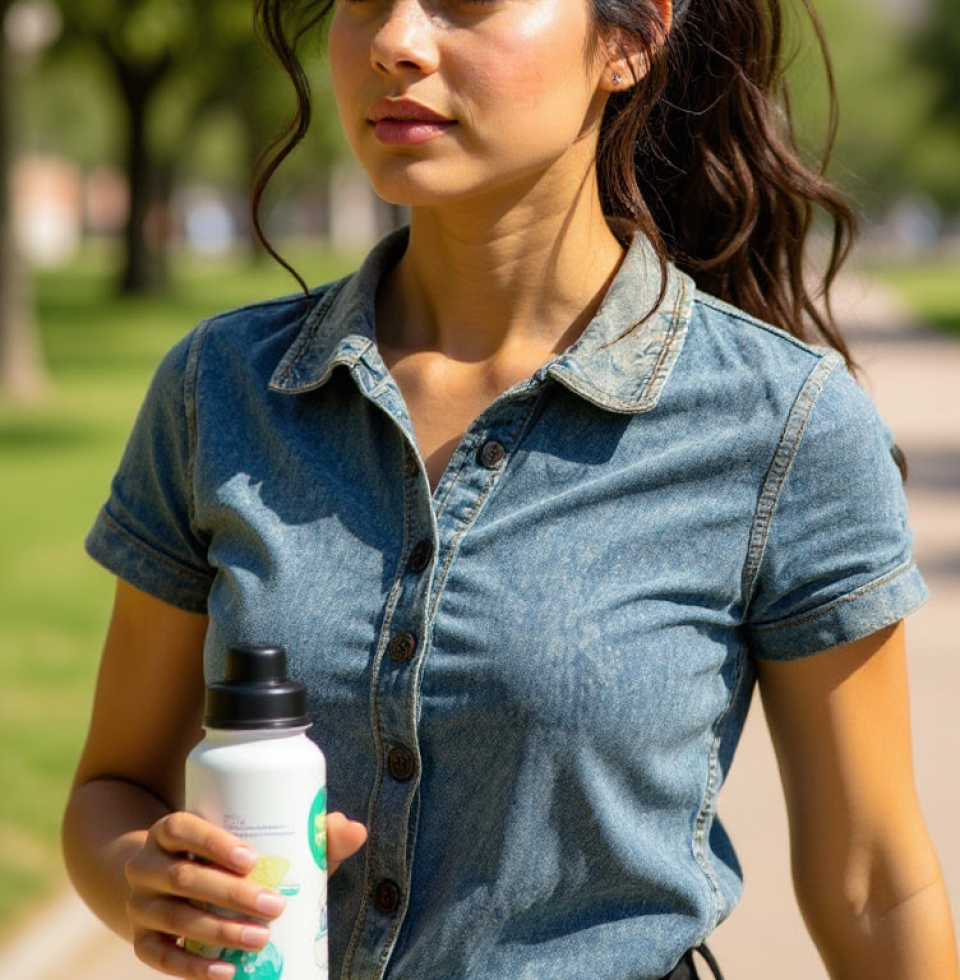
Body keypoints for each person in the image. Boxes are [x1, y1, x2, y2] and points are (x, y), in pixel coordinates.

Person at [62, 0, 958, 978]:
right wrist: (144, 874)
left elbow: (874, 883)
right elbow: (113, 786)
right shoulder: (222, 388)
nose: (395, 41)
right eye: (364, 1)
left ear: (631, 39)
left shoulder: (786, 425)